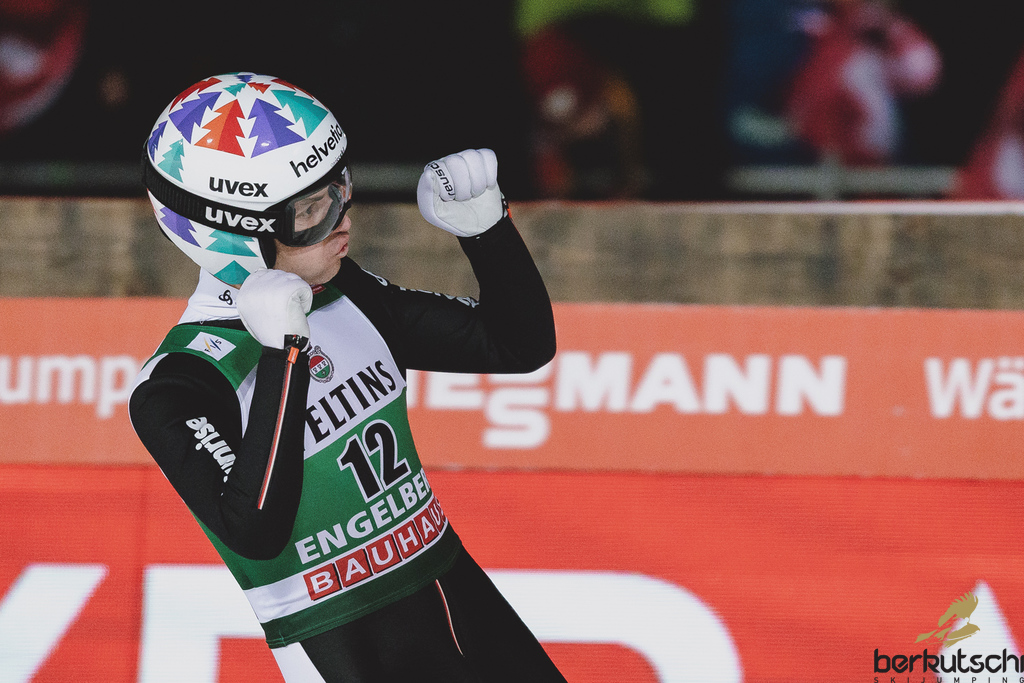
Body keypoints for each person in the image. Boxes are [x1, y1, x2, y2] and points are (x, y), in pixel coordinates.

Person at [129, 72, 563, 683]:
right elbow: (254, 530)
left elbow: (516, 344)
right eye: (309, 211)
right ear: (232, 234)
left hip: (459, 597)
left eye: (339, 188)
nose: (341, 222)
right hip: (347, 646)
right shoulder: (177, 383)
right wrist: (284, 356)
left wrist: (486, 230)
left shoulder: (341, 290)